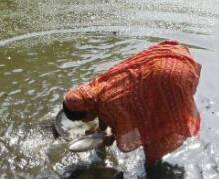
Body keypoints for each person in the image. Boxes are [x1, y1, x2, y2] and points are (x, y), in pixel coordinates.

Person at [60, 41, 202, 165]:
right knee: (152, 112)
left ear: (87, 111)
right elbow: (106, 116)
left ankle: (152, 167)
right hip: (173, 61)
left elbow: (130, 124)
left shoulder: (109, 105)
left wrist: (113, 136)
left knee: (155, 130)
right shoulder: (97, 86)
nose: (84, 121)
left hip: (168, 81)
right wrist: (101, 131)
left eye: (82, 118)